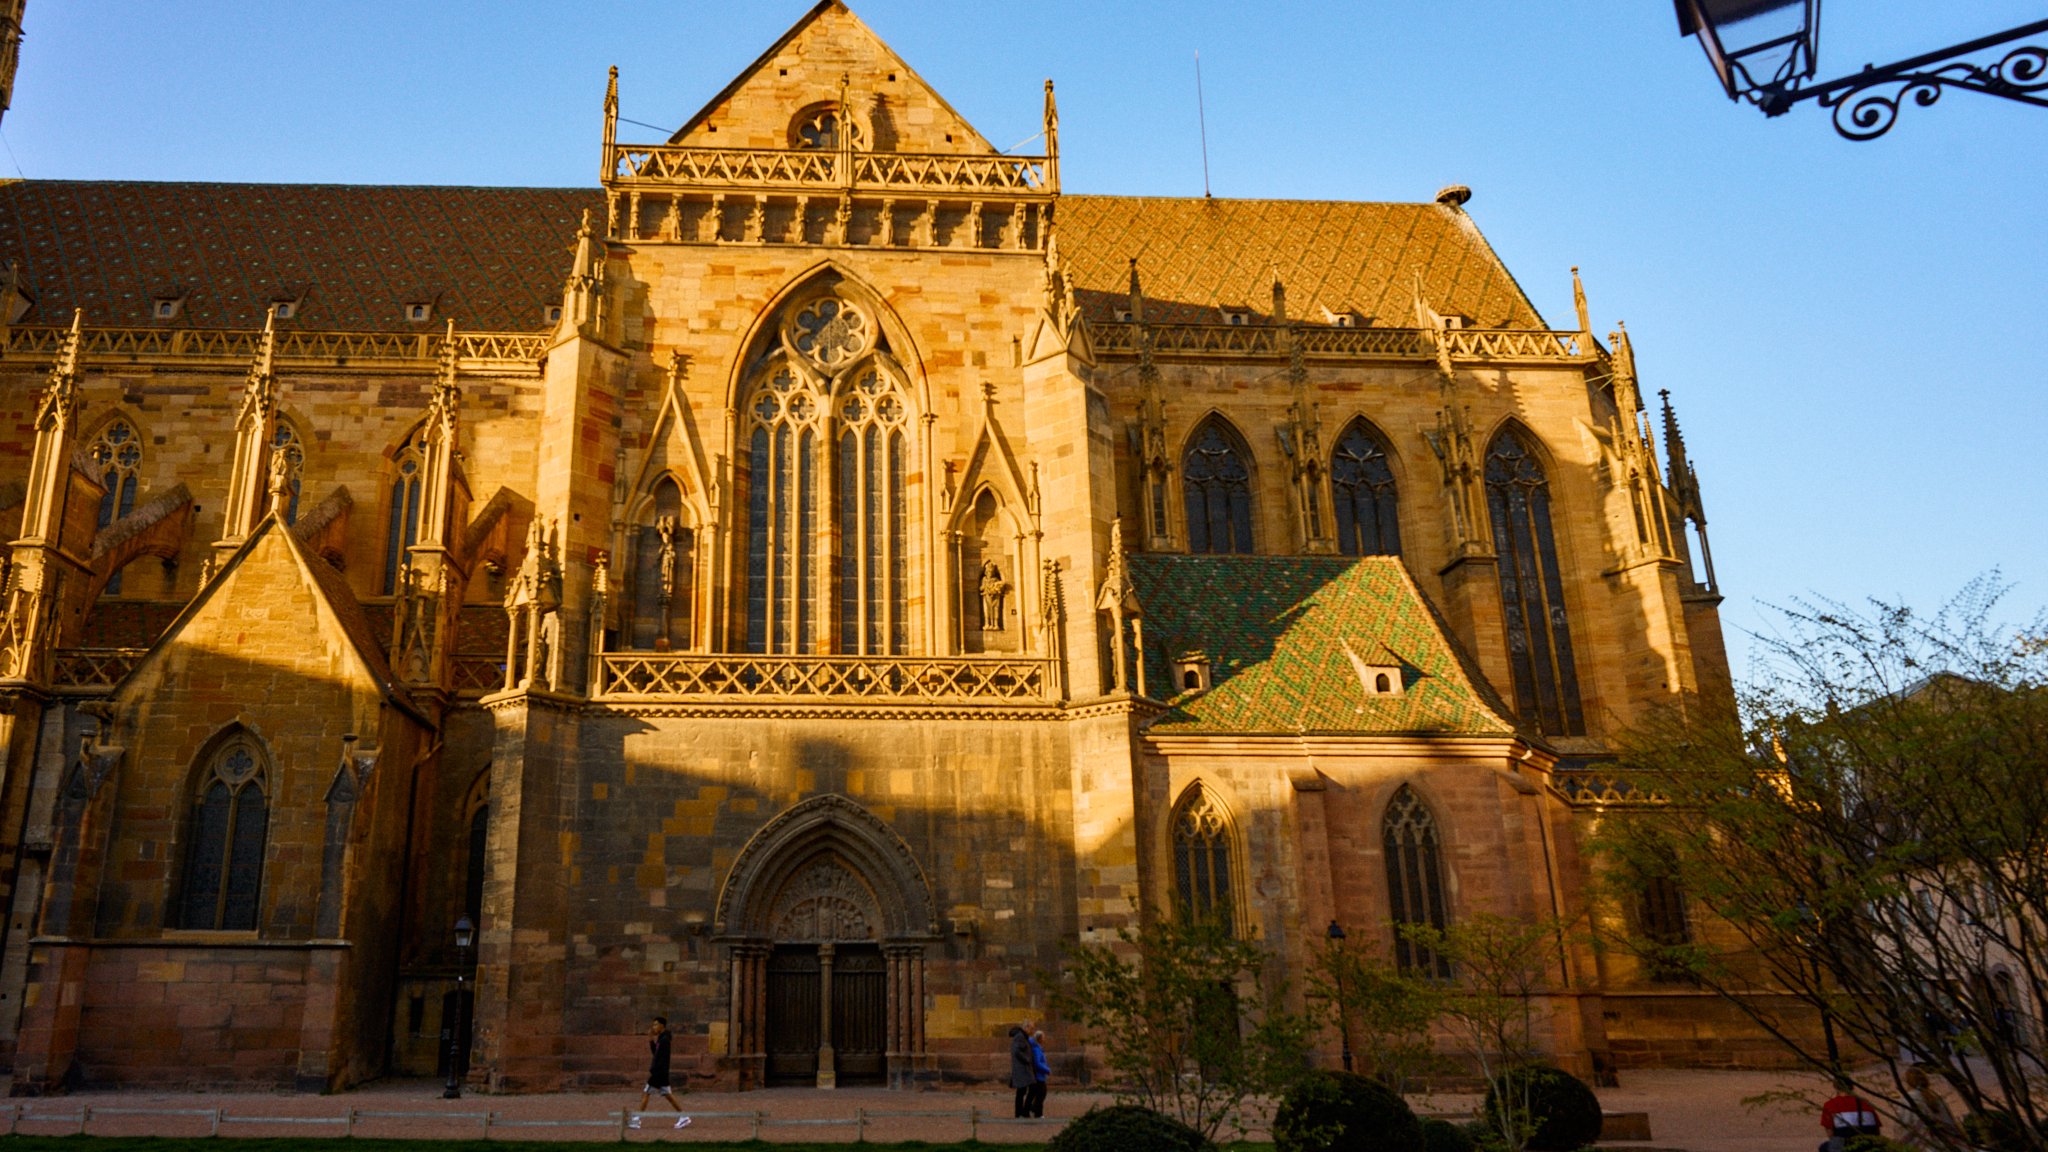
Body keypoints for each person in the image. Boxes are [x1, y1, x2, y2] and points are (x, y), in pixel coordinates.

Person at [630, 1016, 691, 1130]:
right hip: (661, 1073)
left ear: (662, 1025)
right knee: (668, 1096)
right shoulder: (661, 1038)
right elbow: (656, 1053)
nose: (654, 1027)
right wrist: (650, 1040)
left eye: (656, 1024)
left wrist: (655, 1072)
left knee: (646, 1093)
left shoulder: (665, 1040)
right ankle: (684, 1117)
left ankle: (636, 1120)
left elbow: (663, 1059)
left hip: (659, 1073)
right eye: (653, 1025)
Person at [1899, 1066, 1957, 1151]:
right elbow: (1948, 1119)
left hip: (1924, 1144)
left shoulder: (1909, 1098)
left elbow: (1906, 1123)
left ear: (1908, 1082)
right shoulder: (1935, 1096)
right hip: (1945, 1141)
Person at [1819, 1086, 1880, 1152]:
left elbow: (1830, 1134)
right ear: (1852, 1087)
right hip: (1868, 1143)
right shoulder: (1866, 1103)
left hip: (1845, 1143)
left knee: (1824, 1147)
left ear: (1835, 1087)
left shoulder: (1831, 1104)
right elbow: (1877, 1131)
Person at [1008, 1023, 1035, 1118]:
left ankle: (1022, 1111)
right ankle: (1022, 1111)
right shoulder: (1020, 1037)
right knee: (1025, 1090)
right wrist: (1027, 1059)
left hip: (1023, 1068)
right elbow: (1017, 1051)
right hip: (1022, 1069)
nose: (1032, 1031)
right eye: (1031, 1028)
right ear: (1026, 1027)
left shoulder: (1022, 1036)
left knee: (1022, 1091)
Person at [1025, 1029, 1050, 1118]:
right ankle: (1037, 1112)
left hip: (1038, 1074)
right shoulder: (1036, 1049)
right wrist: (1047, 1070)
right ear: (1039, 1039)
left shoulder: (1037, 1048)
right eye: (1043, 1038)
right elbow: (1037, 1063)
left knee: (1034, 1093)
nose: (1044, 1039)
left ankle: (1030, 1109)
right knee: (1041, 1093)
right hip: (1038, 1075)